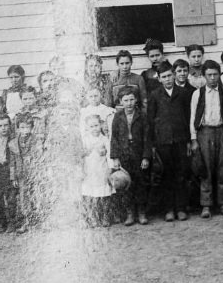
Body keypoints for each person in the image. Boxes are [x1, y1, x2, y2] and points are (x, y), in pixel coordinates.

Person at [189, 60, 223, 219]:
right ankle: (206, 205)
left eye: (215, 74)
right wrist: (194, 139)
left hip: (222, 132)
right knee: (206, 169)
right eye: (209, 75)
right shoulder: (198, 93)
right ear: (204, 76)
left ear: (219, 74)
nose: (212, 78)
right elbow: (193, 118)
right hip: (205, 133)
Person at [148, 61, 192, 222]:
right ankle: (169, 209)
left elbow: (188, 118)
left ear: (174, 75)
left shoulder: (183, 93)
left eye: (169, 75)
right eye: (163, 77)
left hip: (180, 140)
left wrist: (188, 141)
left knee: (181, 174)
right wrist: (152, 144)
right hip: (163, 142)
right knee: (166, 175)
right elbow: (151, 121)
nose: (167, 79)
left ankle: (181, 208)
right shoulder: (154, 95)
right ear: (159, 79)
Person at [110, 88, 151, 225]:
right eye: (126, 100)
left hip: (138, 153)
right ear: (120, 101)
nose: (129, 103)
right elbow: (114, 138)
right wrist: (115, 157)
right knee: (127, 185)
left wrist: (146, 157)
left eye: (131, 99)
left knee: (141, 183)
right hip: (124, 154)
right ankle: (130, 213)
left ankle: (141, 212)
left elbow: (147, 138)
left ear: (136, 100)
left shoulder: (142, 115)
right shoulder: (118, 116)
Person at [80, 114, 115, 228]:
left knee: (103, 195)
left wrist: (110, 169)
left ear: (100, 125)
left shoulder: (104, 139)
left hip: (101, 169)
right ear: (87, 128)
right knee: (91, 196)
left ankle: (105, 216)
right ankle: (93, 217)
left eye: (96, 125)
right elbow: (81, 155)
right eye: (91, 126)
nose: (94, 128)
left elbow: (109, 155)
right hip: (89, 171)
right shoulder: (85, 139)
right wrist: (86, 152)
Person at [0, 113, 21, 233]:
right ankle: (0, 222)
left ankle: (12, 222)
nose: (3, 128)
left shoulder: (14, 139)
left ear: (10, 125)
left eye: (6, 125)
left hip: (9, 169)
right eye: (0, 126)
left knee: (11, 197)